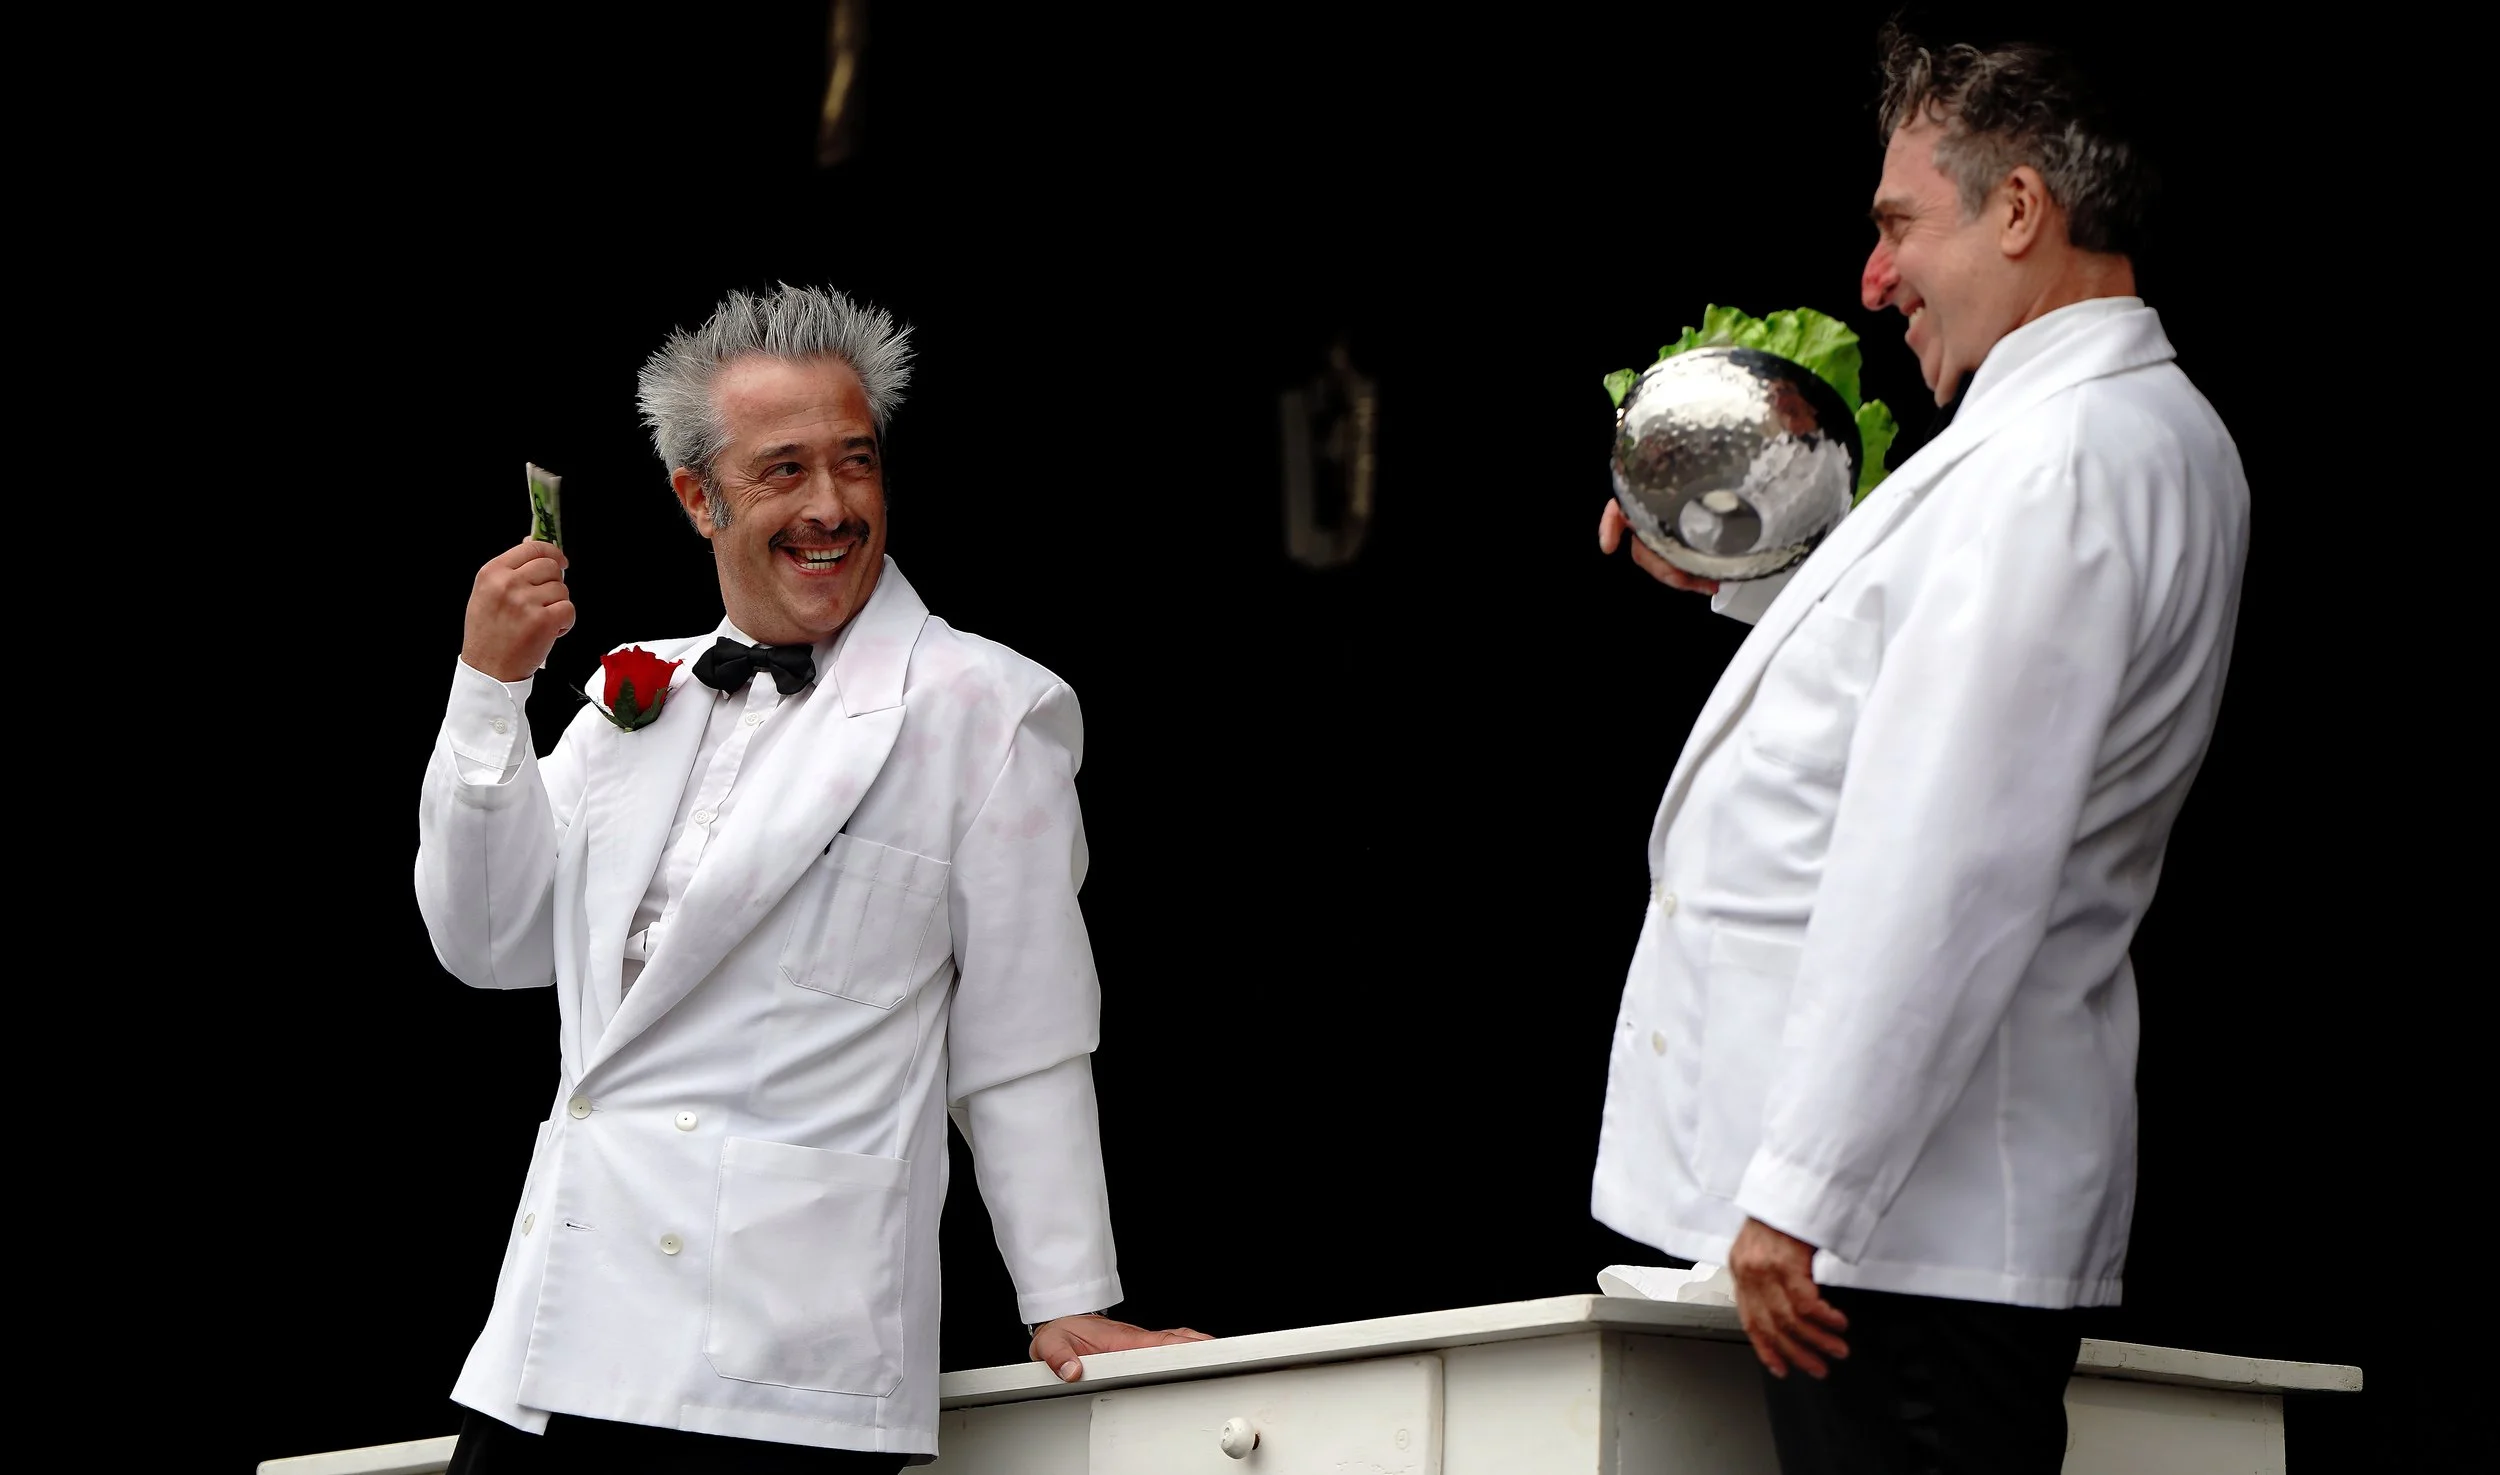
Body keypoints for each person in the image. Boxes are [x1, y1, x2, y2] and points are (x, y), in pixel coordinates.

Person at [1590, 27, 2247, 1475]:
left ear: (2019, 211)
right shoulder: (2082, 434)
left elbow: (1951, 850)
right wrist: (1743, 587)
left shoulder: (2061, 456)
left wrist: (1805, 1186)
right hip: (1899, 1236)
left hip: (1903, 1244)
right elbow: (1916, 687)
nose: (1874, 279)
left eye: (1899, 227)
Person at [415, 283, 1205, 1474]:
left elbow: (1025, 1029)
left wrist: (1068, 1291)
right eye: (784, 470)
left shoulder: (986, 705)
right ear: (699, 495)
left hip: (777, 1362)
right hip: (551, 1335)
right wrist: (488, 689)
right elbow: (489, 941)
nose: (832, 506)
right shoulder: (635, 693)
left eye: (857, 462)